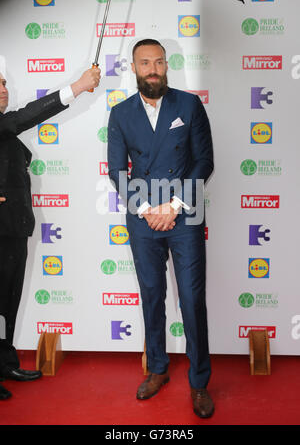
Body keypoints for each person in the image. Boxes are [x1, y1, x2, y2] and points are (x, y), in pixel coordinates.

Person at [108, 39, 214, 418]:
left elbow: (204, 162)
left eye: (158, 62)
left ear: (167, 65)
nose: (152, 69)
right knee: (152, 298)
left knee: (191, 300)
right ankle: (157, 369)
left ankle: (199, 382)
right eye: (144, 63)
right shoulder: (120, 113)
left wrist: (174, 206)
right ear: (133, 68)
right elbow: (117, 172)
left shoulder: (188, 104)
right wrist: (147, 209)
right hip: (144, 220)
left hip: (184, 216)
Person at [0, 64, 101, 400]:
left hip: (14, 228)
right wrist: (77, 86)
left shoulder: (5, 132)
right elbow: (26, 116)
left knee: (7, 302)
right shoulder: (6, 124)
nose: (3, 89)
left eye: (3, 82)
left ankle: (4, 362)